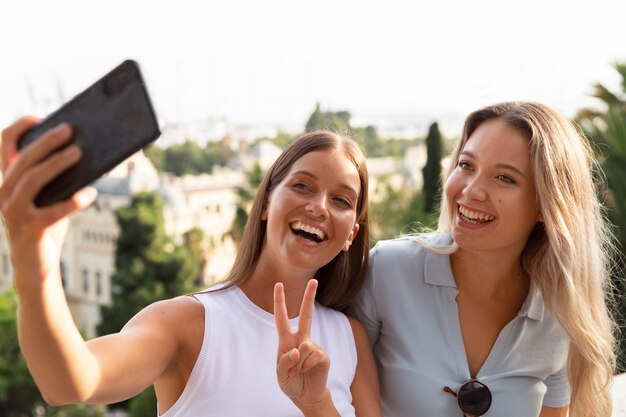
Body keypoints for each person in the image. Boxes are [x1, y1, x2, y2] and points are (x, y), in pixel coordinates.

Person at [0, 119, 382, 417]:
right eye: (302, 186)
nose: (319, 206)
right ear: (265, 203)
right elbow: (68, 382)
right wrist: (35, 260)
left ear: (352, 234)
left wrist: (317, 407)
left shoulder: (351, 340)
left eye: (341, 200)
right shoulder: (189, 323)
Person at [350, 102, 617, 417]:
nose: (471, 190)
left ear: (546, 206)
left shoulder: (558, 314)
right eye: (466, 165)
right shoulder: (387, 270)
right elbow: (339, 395)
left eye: (504, 178)